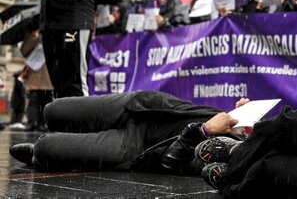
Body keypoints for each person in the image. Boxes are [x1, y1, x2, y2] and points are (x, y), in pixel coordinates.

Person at [8, 90, 244, 174]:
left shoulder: (237, 162)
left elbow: (170, 164)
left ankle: (45, 157)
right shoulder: (243, 131)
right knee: (51, 111)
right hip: (141, 105)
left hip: (137, 146)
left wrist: (203, 131)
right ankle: (55, 152)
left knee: (46, 147)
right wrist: (239, 116)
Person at [19, 29, 54, 132]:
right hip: (34, 74)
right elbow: (24, 51)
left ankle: (43, 122)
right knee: (33, 100)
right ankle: (31, 122)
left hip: (48, 75)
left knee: (46, 100)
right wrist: (33, 38)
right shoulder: (32, 34)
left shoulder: (52, 34)